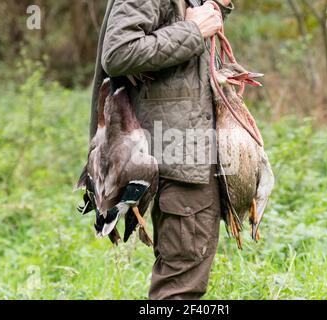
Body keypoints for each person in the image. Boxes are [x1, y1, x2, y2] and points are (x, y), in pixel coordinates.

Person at [88, 0, 234, 300]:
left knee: (184, 274)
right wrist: (193, 31)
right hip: (176, 151)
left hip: (187, 145)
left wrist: (216, 7)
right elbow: (118, 53)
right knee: (180, 287)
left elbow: (175, 48)